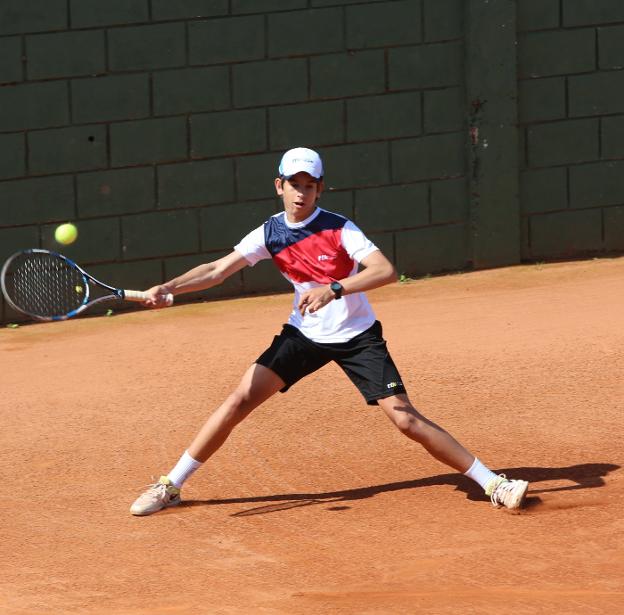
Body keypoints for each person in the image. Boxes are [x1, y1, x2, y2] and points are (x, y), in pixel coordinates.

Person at [130, 147, 528, 516]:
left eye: (309, 186)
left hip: (357, 336)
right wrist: (170, 287)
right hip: (303, 335)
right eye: (294, 185)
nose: (301, 194)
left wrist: (335, 288)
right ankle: (171, 486)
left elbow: (384, 270)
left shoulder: (340, 229)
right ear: (279, 186)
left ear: (320, 189)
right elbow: (217, 270)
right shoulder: (270, 232)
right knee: (239, 399)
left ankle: (493, 483)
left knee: (406, 420)